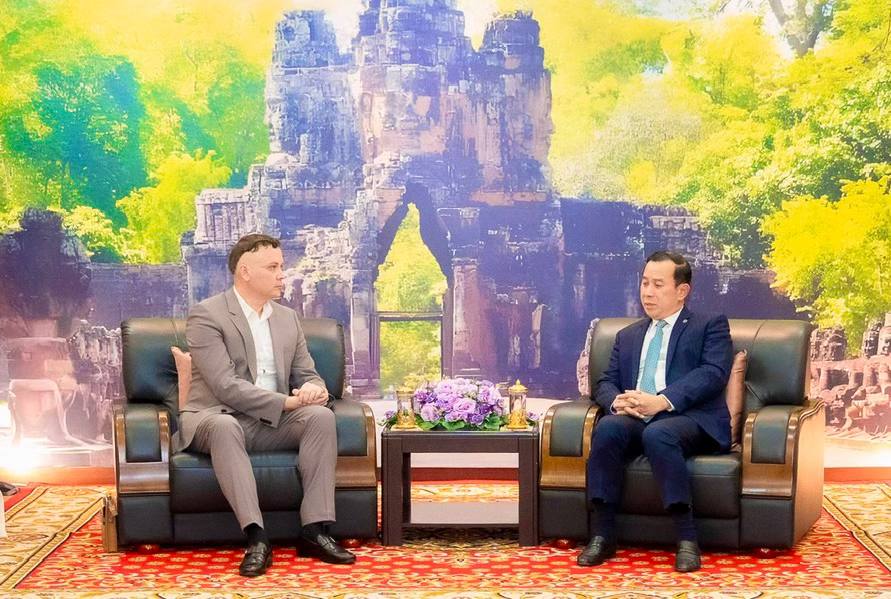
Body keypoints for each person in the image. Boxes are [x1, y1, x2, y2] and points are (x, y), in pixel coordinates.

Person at [176, 233, 355, 577]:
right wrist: (287, 401)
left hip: (270, 423)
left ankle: (314, 530)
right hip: (215, 417)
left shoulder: (287, 318)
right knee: (225, 426)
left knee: (319, 417)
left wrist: (314, 390)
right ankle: (257, 537)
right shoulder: (207, 315)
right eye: (272, 267)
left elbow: (308, 373)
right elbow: (225, 386)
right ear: (244, 272)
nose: (281, 274)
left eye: (281, 266)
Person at [578, 250, 733, 573]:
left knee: (660, 432)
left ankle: (686, 538)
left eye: (658, 285)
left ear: (682, 291)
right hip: (638, 417)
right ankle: (603, 534)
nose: (647, 292)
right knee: (608, 427)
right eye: (644, 283)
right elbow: (605, 381)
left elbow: (713, 373)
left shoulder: (709, 325)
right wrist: (616, 402)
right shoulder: (628, 335)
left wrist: (662, 401)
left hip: (689, 419)